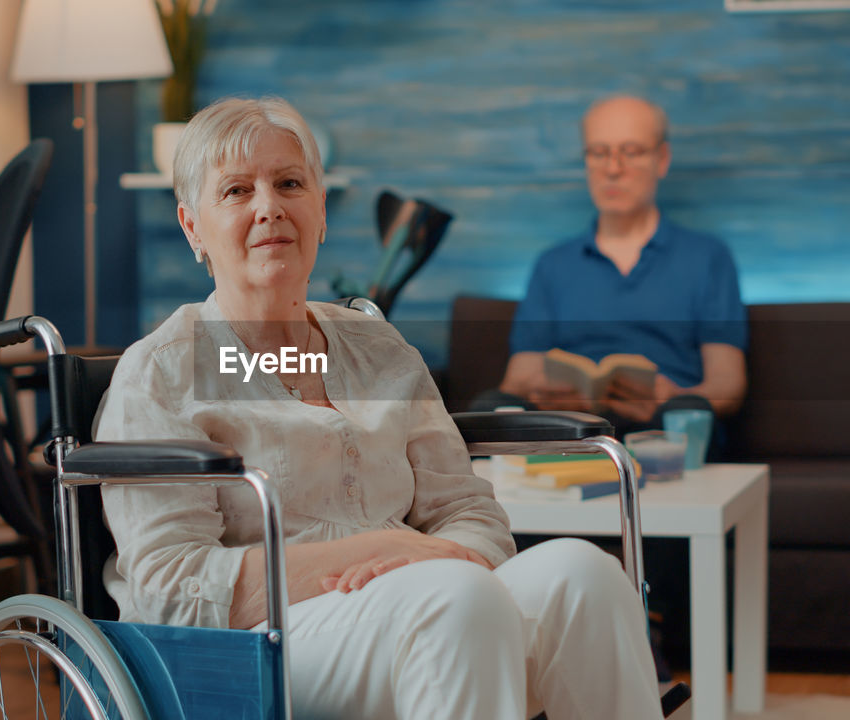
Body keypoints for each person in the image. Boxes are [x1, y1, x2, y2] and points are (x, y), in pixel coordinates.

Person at [94, 97, 663, 719]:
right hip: (254, 648)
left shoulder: (377, 350)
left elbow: (465, 508)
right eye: (235, 191)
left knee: (585, 576)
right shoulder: (165, 371)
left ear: (321, 210)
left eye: (289, 183)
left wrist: (452, 555)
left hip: (425, 602)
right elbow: (172, 592)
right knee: (456, 598)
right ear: (192, 226)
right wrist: (406, 562)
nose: (269, 207)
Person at [489, 94, 748, 440]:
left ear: (662, 159)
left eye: (631, 151)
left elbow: (728, 383)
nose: (613, 169)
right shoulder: (553, 264)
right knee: (492, 403)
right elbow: (517, 378)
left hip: (664, 429)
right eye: (599, 152)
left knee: (689, 413)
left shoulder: (708, 257)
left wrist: (673, 397)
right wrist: (539, 391)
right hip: (573, 431)